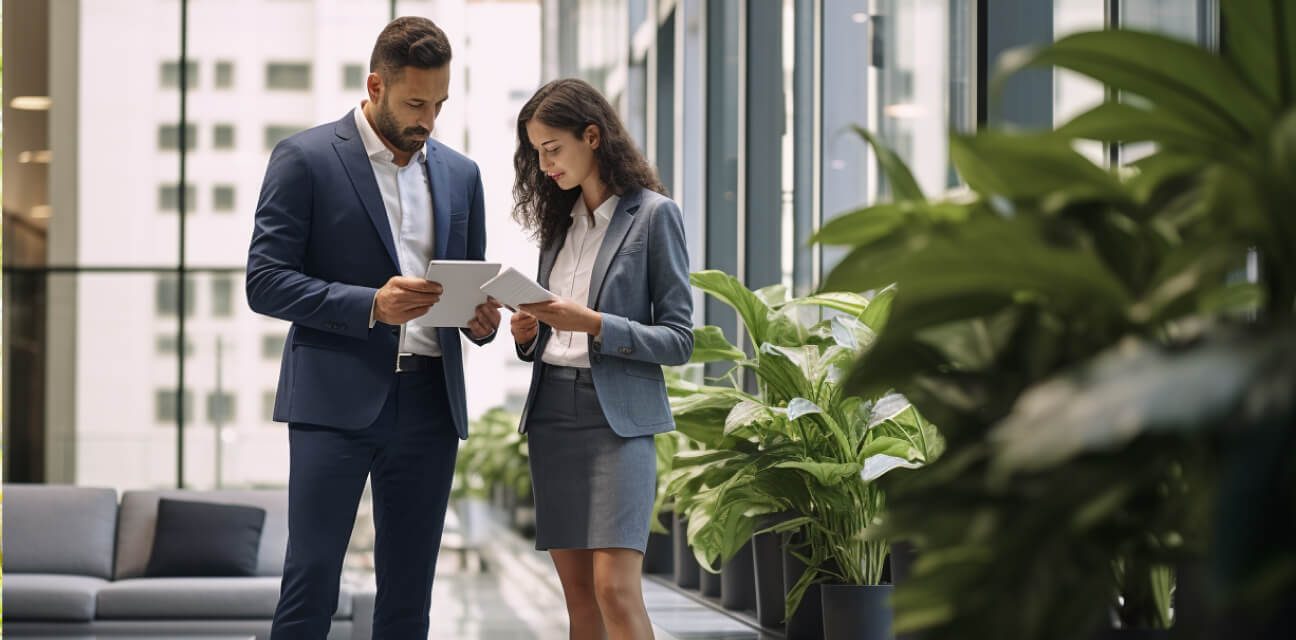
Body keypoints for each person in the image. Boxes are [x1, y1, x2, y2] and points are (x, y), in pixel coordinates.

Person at [246, 16, 500, 639]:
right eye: (415, 103)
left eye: (439, 104)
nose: (428, 120)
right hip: (333, 401)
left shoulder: (461, 173)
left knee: (410, 595)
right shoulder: (304, 158)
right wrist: (370, 305)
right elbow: (265, 281)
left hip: (429, 404)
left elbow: (468, 288)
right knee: (310, 583)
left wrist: (481, 321)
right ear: (376, 86)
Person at [509, 78, 694, 640]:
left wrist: (592, 323)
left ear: (592, 136)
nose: (544, 166)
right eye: (536, 153)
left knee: (616, 587)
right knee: (580, 599)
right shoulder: (557, 228)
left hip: (618, 421)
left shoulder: (654, 216)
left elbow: (680, 339)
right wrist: (528, 333)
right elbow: (549, 336)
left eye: (553, 149)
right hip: (552, 417)